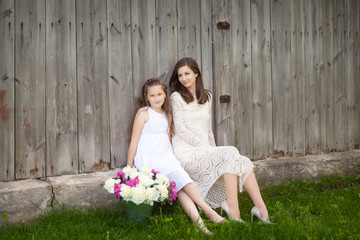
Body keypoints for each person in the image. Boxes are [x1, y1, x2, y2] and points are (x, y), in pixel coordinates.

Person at [169, 57, 271, 223]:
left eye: (187, 73)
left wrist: (214, 151)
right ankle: (233, 209)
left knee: (241, 160)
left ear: (196, 73)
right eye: (180, 75)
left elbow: (208, 129)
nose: (184, 78)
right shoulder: (177, 97)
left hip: (204, 149)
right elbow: (180, 129)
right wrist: (206, 148)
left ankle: (260, 209)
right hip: (186, 152)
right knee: (231, 151)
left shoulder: (207, 96)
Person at [127, 78, 226, 235]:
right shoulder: (143, 114)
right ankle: (209, 212)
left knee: (181, 186)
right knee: (180, 176)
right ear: (146, 97)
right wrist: (129, 168)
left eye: (159, 94)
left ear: (165, 95)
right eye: (152, 96)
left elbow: (167, 139)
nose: (156, 98)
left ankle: (200, 224)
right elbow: (134, 142)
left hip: (165, 156)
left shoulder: (167, 114)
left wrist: (173, 157)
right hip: (149, 159)